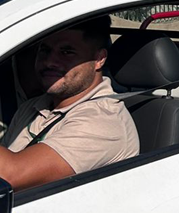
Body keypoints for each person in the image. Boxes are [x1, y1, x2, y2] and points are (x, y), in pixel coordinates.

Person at [0, 16, 139, 190]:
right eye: (45, 50)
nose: (50, 61)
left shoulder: (103, 121)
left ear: (99, 59)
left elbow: (9, 176)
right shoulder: (35, 106)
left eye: (67, 52)